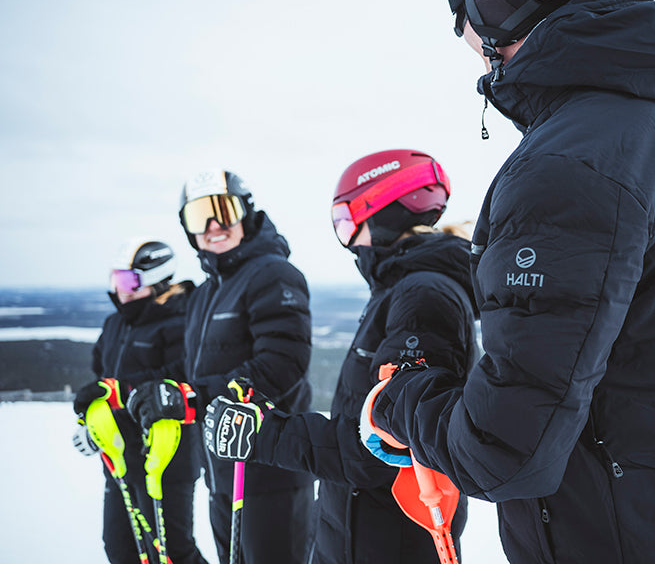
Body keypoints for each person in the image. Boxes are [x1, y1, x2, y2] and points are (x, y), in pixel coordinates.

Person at [360, 0, 655, 563]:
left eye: (468, 21)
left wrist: (398, 399)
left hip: (608, 538)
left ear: (501, 6)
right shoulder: (635, 125)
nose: (471, 46)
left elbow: (502, 451)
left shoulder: (567, 162)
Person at [202, 149, 478, 564]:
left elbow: (382, 450)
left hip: (390, 538)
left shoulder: (422, 298)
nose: (348, 240)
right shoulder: (399, 291)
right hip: (355, 529)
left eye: (346, 222)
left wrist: (266, 434)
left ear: (382, 211)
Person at [125, 170, 315, 564]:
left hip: (272, 471)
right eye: (199, 217)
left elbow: (281, 364)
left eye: (223, 212)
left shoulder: (274, 274)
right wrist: (139, 388)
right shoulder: (207, 291)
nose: (213, 227)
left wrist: (190, 398)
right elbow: (193, 367)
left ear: (245, 213)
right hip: (222, 473)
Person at [72, 239, 208, 564]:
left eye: (129, 281)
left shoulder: (181, 320)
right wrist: (93, 424)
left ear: (155, 278)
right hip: (121, 456)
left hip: (167, 456)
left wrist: (121, 388)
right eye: (116, 280)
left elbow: (182, 375)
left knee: (170, 550)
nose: (120, 290)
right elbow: (101, 379)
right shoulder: (115, 324)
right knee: (120, 547)